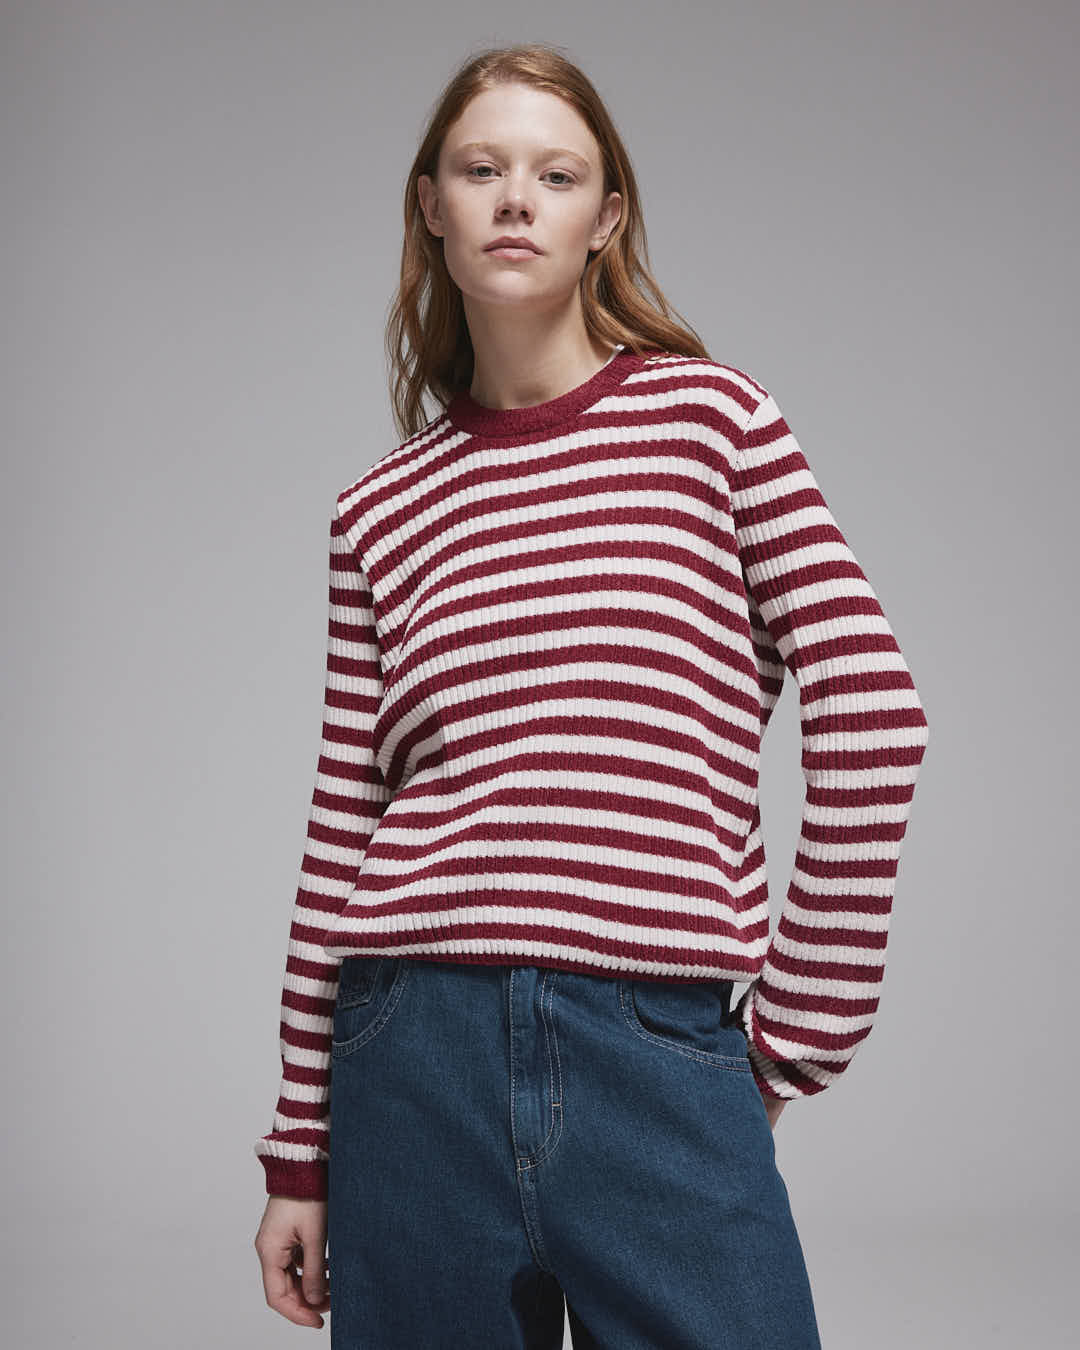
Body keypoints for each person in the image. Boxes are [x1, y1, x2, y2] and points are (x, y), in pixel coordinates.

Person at [252, 43, 929, 1349]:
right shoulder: (378, 512)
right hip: (411, 1051)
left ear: (605, 216)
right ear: (430, 206)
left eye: (556, 175)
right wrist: (299, 1149)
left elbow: (874, 707)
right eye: (481, 168)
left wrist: (797, 1032)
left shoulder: (714, 425)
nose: (517, 198)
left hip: (653, 1045)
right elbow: (342, 832)